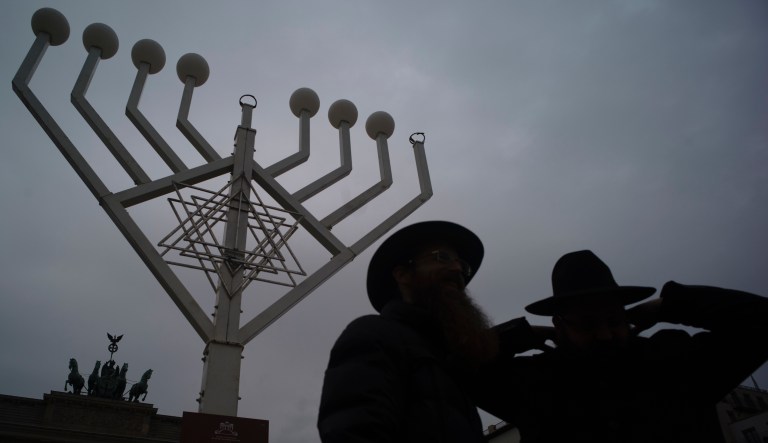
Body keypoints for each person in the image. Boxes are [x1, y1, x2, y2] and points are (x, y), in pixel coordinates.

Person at [476, 249, 768, 443]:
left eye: (614, 320)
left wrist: (671, 304)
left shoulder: (674, 359)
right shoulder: (532, 381)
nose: (605, 335)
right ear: (559, 324)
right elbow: (464, 367)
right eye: (587, 324)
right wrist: (523, 334)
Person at [317, 221, 498, 443]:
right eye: (442, 257)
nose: (458, 269)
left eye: (463, 265)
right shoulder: (375, 335)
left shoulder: (451, 357)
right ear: (403, 274)